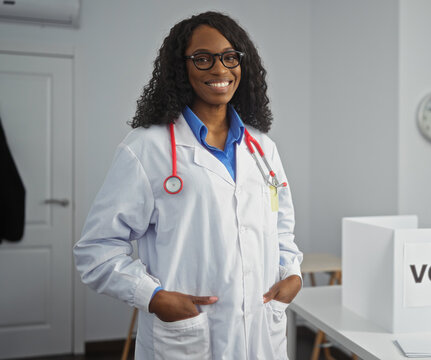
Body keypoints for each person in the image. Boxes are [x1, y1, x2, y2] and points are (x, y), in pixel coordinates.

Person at [74, 11, 303, 359]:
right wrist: (153, 297)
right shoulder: (146, 148)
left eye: (230, 57)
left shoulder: (261, 147)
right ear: (181, 67)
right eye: (203, 59)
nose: (220, 69)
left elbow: (281, 227)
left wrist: (292, 274)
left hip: (261, 332)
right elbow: (96, 249)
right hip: (187, 336)